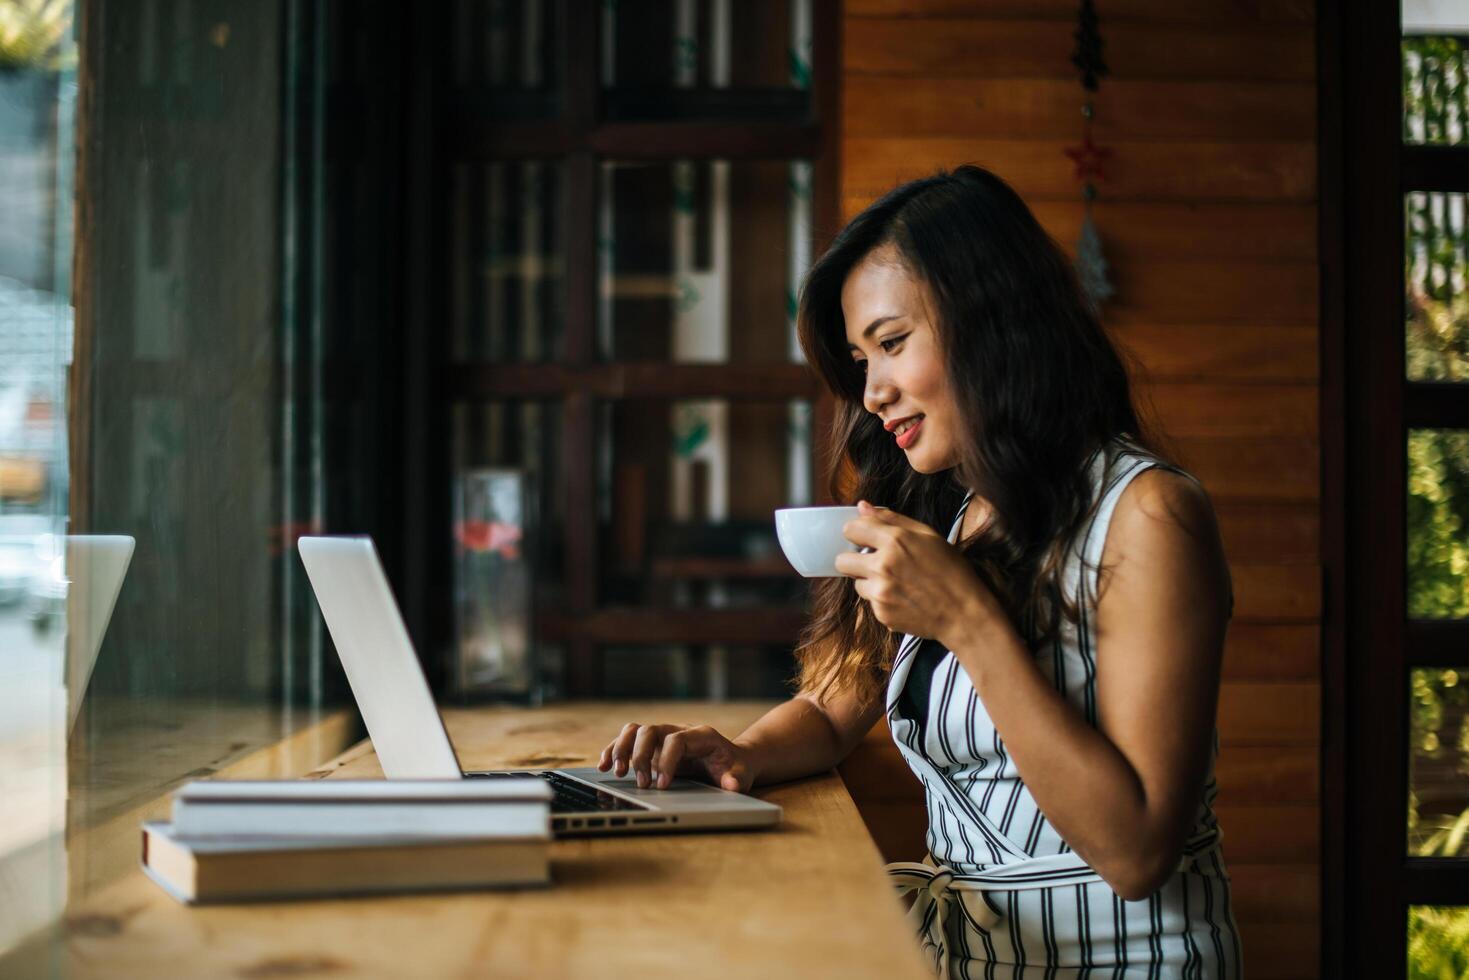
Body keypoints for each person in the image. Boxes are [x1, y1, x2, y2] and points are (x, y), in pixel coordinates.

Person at [597, 164, 1242, 976]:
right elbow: (836, 711)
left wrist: (968, 622)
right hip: (970, 958)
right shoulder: (950, 507)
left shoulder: (1148, 515)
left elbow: (1137, 851)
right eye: (861, 361)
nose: (871, 393)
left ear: (995, 324)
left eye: (892, 344)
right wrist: (742, 752)